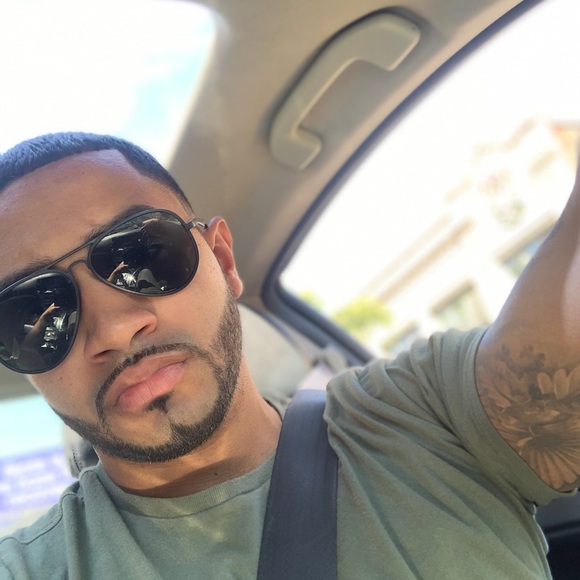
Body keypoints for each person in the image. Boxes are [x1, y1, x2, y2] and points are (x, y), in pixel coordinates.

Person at [0, 131, 575, 579]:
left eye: (143, 254)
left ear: (223, 261)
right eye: (33, 314)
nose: (115, 328)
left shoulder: (432, 418)